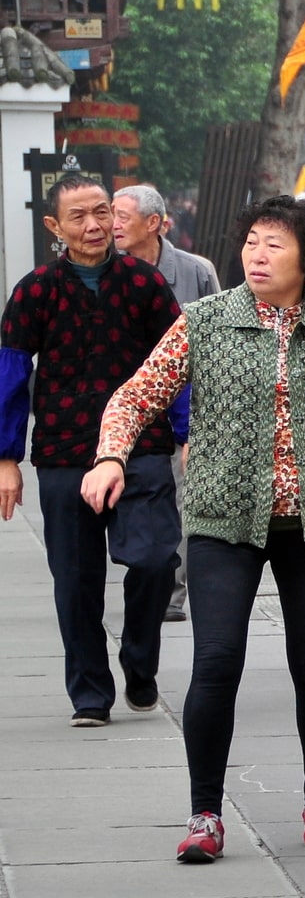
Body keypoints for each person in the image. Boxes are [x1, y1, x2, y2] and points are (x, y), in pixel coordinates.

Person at [84, 196, 305, 862]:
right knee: (215, 661)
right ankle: (205, 812)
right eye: (253, 242)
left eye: (276, 245)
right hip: (221, 517)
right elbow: (137, 394)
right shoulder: (203, 320)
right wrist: (111, 454)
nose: (258, 256)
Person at [0, 174, 183, 727]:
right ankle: (89, 694)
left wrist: (188, 433)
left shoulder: (146, 284)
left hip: (142, 448)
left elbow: (178, 365)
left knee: (155, 560)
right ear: (54, 226)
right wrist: (7, 458)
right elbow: (10, 374)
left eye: (102, 212)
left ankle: (139, 659)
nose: (95, 225)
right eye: (78, 216)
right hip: (63, 453)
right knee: (75, 580)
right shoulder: (35, 290)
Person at [112, 183, 221, 625]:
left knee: (177, 500)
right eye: (111, 214)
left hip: (182, 411)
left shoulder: (195, 272)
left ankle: (170, 595)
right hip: (125, 406)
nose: (112, 224)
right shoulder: (105, 273)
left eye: (121, 215)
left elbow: (217, 340)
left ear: (153, 223)